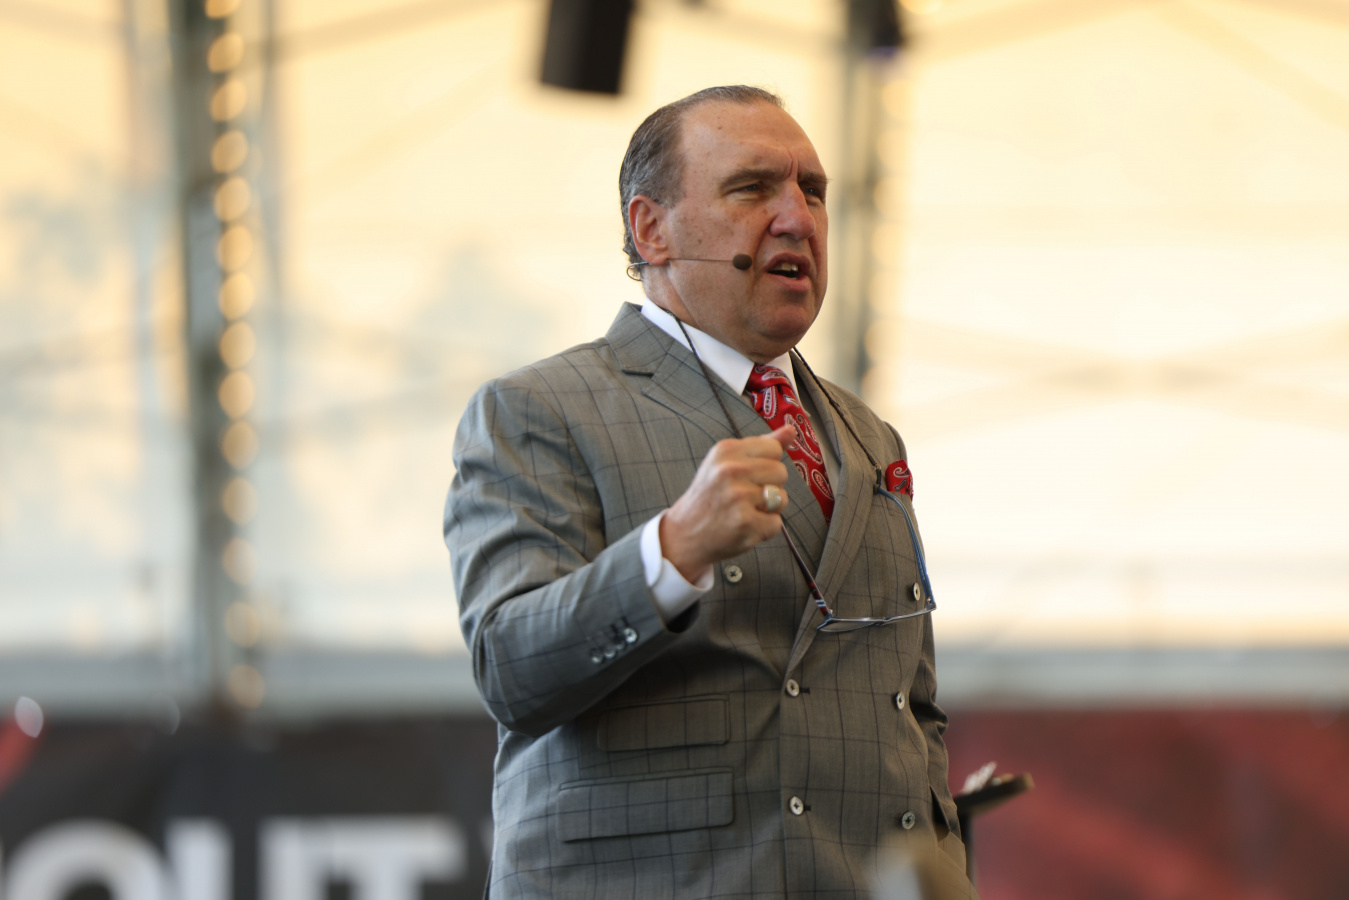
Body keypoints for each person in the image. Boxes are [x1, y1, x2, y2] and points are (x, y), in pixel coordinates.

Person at [445, 85, 975, 899]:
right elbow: (511, 670)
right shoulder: (536, 410)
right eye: (752, 188)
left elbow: (911, 705)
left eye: (812, 191)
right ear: (650, 230)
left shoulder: (869, 437)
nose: (796, 218)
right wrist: (672, 551)